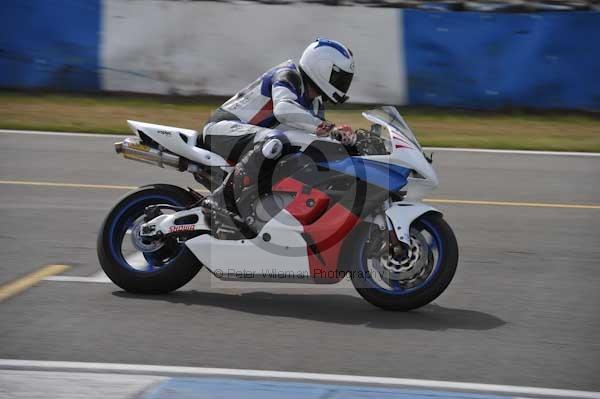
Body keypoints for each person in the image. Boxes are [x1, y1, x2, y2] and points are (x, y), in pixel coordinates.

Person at [201, 38, 357, 225]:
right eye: (339, 78)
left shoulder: (315, 102)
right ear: (321, 68)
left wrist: (346, 140)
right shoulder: (288, 74)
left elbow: (316, 136)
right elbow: (283, 110)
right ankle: (220, 201)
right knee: (278, 140)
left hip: (256, 141)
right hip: (222, 130)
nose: (342, 84)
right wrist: (329, 128)